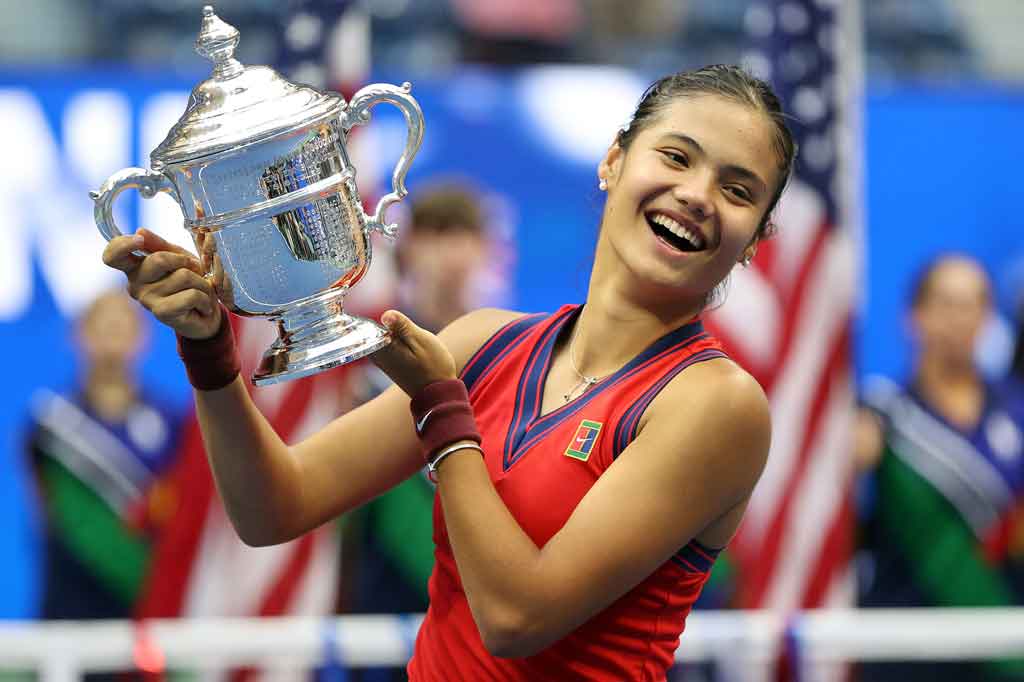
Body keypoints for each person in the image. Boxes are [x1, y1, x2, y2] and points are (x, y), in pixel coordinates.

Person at [102, 64, 794, 681]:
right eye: (677, 156)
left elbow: (518, 618)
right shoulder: (484, 343)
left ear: (756, 239)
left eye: (737, 190)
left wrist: (443, 410)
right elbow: (271, 508)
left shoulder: (717, 403)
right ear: (614, 159)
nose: (698, 194)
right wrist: (211, 354)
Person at [855, 255, 1024, 682]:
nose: (958, 320)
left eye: (972, 305)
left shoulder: (1018, 409)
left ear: (988, 316)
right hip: (906, 650)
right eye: (945, 304)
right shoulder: (881, 413)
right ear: (914, 315)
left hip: (1002, 650)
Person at [26, 289, 182, 621]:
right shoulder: (50, 429)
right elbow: (48, 515)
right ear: (79, 336)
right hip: (70, 605)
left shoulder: (172, 423)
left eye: (122, 325)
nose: (112, 334)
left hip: (148, 605)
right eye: (102, 325)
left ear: (142, 338)